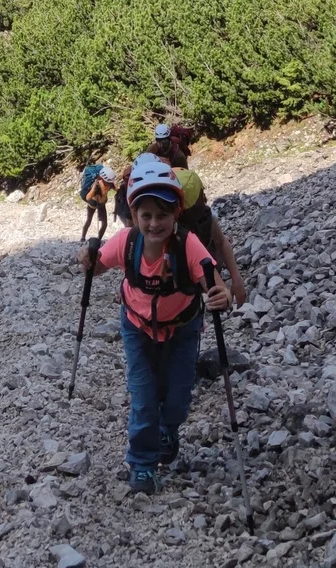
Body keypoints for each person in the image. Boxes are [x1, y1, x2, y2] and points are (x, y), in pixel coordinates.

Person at [80, 155, 230, 494]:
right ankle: (143, 464)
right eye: (146, 215)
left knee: (177, 396)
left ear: (176, 214)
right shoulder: (128, 242)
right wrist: (86, 258)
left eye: (162, 215)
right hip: (137, 326)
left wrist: (223, 295)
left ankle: (169, 428)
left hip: (183, 326)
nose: (154, 223)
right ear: (134, 215)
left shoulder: (188, 245)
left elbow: (214, 285)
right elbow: (97, 266)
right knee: (144, 396)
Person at [153, 125, 251, 309]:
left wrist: (236, 281)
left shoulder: (179, 157)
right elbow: (222, 243)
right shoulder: (172, 223)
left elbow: (221, 243)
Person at [78, 161, 112, 240]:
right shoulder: (98, 185)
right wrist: (94, 189)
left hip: (99, 203)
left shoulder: (108, 182)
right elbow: (88, 198)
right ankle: (88, 238)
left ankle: (86, 238)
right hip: (94, 203)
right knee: (99, 223)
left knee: (91, 221)